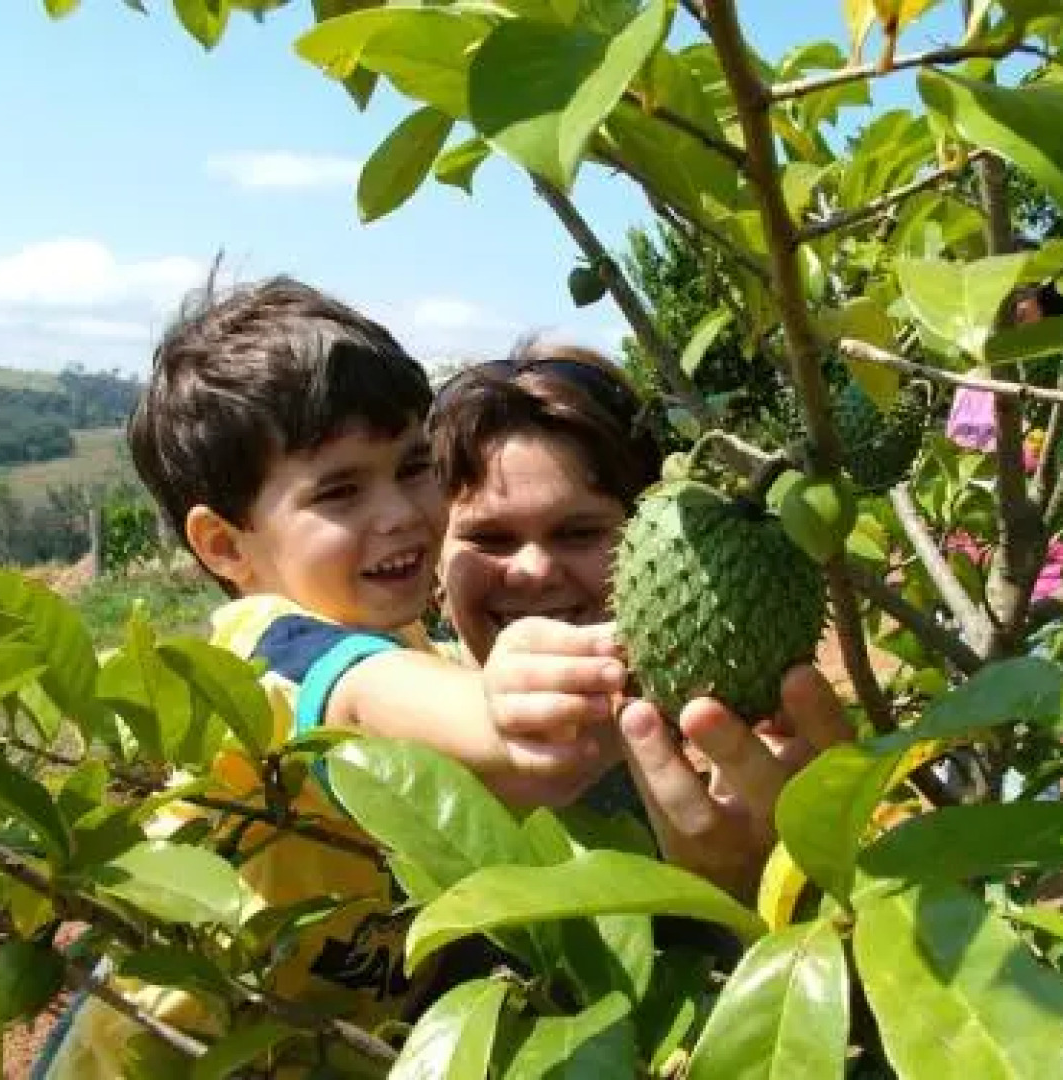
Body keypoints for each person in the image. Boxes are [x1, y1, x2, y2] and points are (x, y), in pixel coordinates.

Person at [39, 280, 627, 1078]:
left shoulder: (411, 641)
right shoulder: (262, 653)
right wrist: (502, 709)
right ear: (224, 546)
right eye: (341, 490)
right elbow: (362, 693)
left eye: (414, 466)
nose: (402, 513)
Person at [428, 338, 852, 900]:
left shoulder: (741, 758)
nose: (532, 571)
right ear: (433, 556)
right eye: (489, 537)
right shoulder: (395, 706)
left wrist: (780, 883)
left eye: (579, 532)